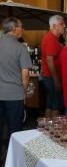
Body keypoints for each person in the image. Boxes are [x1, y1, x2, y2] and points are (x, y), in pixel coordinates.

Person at [0, 18, 32, 157]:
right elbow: (25, 74)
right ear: (14, 29)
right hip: (14, 95)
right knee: (15, 130)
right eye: (21, 27)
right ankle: (13, 159)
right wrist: (24, 92)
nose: (23, 29)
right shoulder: (20, 47)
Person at [41, 15, 65, 117]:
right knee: (56, 106)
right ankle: (55, 130)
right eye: (62, 24)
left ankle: (47, 129)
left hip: (49, 76)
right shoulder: (51, 38)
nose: (64, 26)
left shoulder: (52, 38)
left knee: (50, 105)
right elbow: (49, 60)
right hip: (52, 77)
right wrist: (56, 80)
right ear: (55, 26)